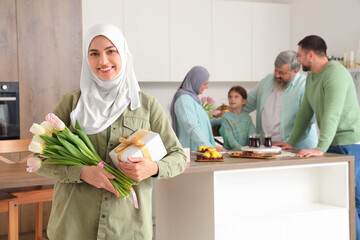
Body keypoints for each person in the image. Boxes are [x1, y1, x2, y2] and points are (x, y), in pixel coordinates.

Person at [35, 23, 187, 240]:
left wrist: (152, 168)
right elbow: (40, 158)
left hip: (126, 230)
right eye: (94, 53)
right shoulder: (71, 104)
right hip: (74, 226)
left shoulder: (146, 105)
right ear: (86, 59)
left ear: (123, 53)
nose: (103, 61)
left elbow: (178, 156)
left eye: (111, 51)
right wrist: (81, 172)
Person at [275, 35, 360, 238]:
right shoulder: (312, 76)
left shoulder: (336, 74)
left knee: (352, 198)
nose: (299, 59)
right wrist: (291, 141)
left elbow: (333, 113)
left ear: (310, 55)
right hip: (332, 145)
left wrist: (320, 148)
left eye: (300, 55)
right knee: (340, 198)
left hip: (349, 144)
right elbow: (306, 111)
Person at [242, 50, 318, 149]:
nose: (277, 75)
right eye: (276, 70)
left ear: (295, 71)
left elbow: (308, 120)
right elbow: (244, 105)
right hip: (267, 147)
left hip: (298, 149)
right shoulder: (267, 81)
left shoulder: (305, 85)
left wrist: (290, 142)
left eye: (282, 73)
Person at [170, 66, 227, 152]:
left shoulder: (193, 100)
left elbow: (202, 124)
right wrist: (208, 146)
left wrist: (223, 119)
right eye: (205, 84)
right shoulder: (184, 100)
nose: (206, 87)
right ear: (195, 82)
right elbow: (192, 126)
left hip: (199, 151)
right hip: (192, 152)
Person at [219, 86, 256, 150]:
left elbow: (252, 136)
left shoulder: (248, 118)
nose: (232, 99)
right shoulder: (226, 117)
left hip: (246, 153)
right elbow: (229, 138)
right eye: (230, 97)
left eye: (236, 97)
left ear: (243, 101)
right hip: (230, 153)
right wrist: (242, 150)